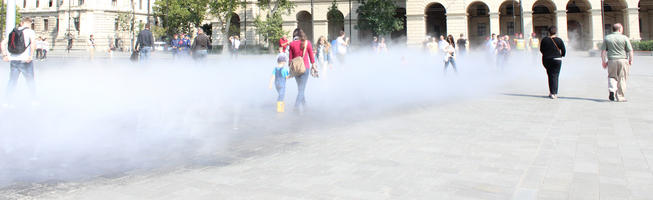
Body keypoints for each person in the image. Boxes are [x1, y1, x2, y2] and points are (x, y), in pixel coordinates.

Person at [1, 17, 38, 107]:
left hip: (13, 60)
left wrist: (5, 55)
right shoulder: (30, 32)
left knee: (12, 81)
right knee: (30, 81)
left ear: (21, 23)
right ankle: (34, 100)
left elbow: (2, 43)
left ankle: (7, 101)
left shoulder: (13, 32)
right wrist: (31, 56)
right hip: (25, 60)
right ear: (29, 24)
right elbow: (33, 44)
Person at [600, 23, 633, 102]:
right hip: (623, 60)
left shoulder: (607, 38)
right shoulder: (624, 38)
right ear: (620, 29)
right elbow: (630, 51)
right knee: (622, 78)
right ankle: (620, 96)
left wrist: (604, 61)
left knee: (612, 76)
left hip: (611, 60)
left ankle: (612, 90)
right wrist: (630, 60)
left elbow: (603, 51)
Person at [288, 28, 316, 112]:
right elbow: (311, 56)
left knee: (300, 88)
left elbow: (290, 59)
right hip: (305, 68)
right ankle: (296, 107)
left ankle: (305, 106)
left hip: (296, 69)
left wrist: (291, 70)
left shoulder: (291, 44)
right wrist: (313, 66)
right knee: (302, 89)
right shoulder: (307, 43)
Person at [539, 26, 566, 99]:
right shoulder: (559, 40)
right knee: (555, 75)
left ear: (549, 32)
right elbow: (563, 50)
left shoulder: (544, 40)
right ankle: (554, 93)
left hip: (547, 59)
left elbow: (541, 49)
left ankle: (551, 92)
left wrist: (546, 54)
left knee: (550, 75)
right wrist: (561, 55)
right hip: (557, 59)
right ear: (556, 32)